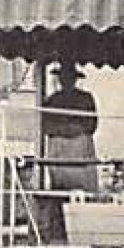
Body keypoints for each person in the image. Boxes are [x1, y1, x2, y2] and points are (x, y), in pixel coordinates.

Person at [41, 62, 100, 195]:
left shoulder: (86, 99)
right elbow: (46, 126)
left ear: (74, 79)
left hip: (80, 152)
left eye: (69, 77)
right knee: (59, 190)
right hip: (60, 152)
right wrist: (65, 130)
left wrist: (73, 130)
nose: (66, 81)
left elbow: (91, 125)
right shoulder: (52, 100)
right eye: (64, 77)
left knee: (85, 191)